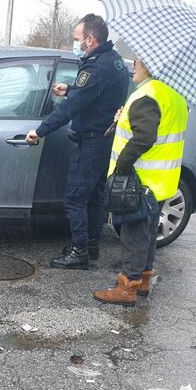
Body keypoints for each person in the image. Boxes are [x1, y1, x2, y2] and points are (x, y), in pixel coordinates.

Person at [26, 14, 129, 270]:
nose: (76, 43)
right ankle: (91, 246)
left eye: (77, 39)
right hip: (103, 139)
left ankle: (79, 252)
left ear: (90, 39)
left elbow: (72, 108)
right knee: (94, 197)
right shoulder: (113, 62)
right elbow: (96, 94)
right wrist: (71, 88)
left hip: (93, 141)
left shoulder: (96, 66)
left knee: (75, 198)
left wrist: (40, 130)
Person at [92, 57, 188, 306]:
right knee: (146, 232)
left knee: (133, 233)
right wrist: (123, 118)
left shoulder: (148, 95)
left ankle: (127, 288)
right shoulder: (173, 96)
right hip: (161, 181)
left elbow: (144, 137)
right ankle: (143, 280)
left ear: (149, 63)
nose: (134, 65)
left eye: (137, 60)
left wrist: (123, 165)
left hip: (141, 179)